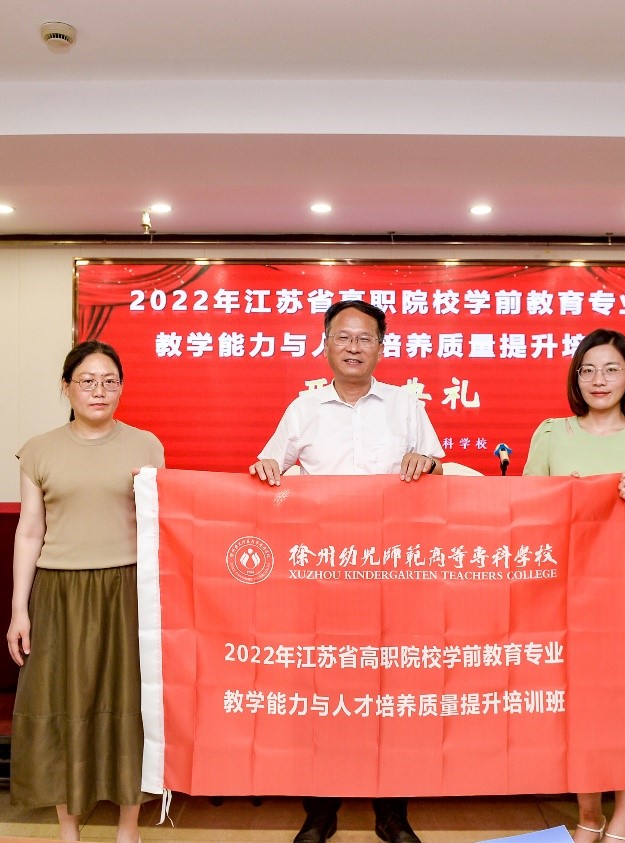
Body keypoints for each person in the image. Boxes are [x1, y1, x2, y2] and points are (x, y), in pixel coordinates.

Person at [249, 299, 444, 843]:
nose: (353, 347)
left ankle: (392, 812)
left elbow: (438, 469)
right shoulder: (303, 408)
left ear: (381, 346)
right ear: (325, 343)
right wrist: (266, 467)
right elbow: (270, 466)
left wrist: (427, 463)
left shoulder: (405, 405)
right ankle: (320, 810)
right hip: (323, 576)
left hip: (393, 576)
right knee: (324, 689)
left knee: (393, 692)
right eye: (343, 336)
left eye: (364, 338)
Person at [522, 328, 625, 843]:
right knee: (580, 704)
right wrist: (561, 502)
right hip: (565, 586)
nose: (599, 380)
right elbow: (526, 509)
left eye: (611, 369)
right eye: (588, 370)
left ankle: (621, 822)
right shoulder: (552, 435)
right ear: (575, 378)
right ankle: (588, 815)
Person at [6, 340, 165, 843]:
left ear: (121, 387)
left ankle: (128, 827)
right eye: (87, 381)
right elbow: (29, 531)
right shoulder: (38, 449)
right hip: (59, 592)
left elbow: (162, 525)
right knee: (62, 703)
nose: (99, 391)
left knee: (130, 704)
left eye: (109, 381)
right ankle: (68, 827)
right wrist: (19, 610)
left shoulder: (147, 445)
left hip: (128, 590)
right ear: (66, 387)